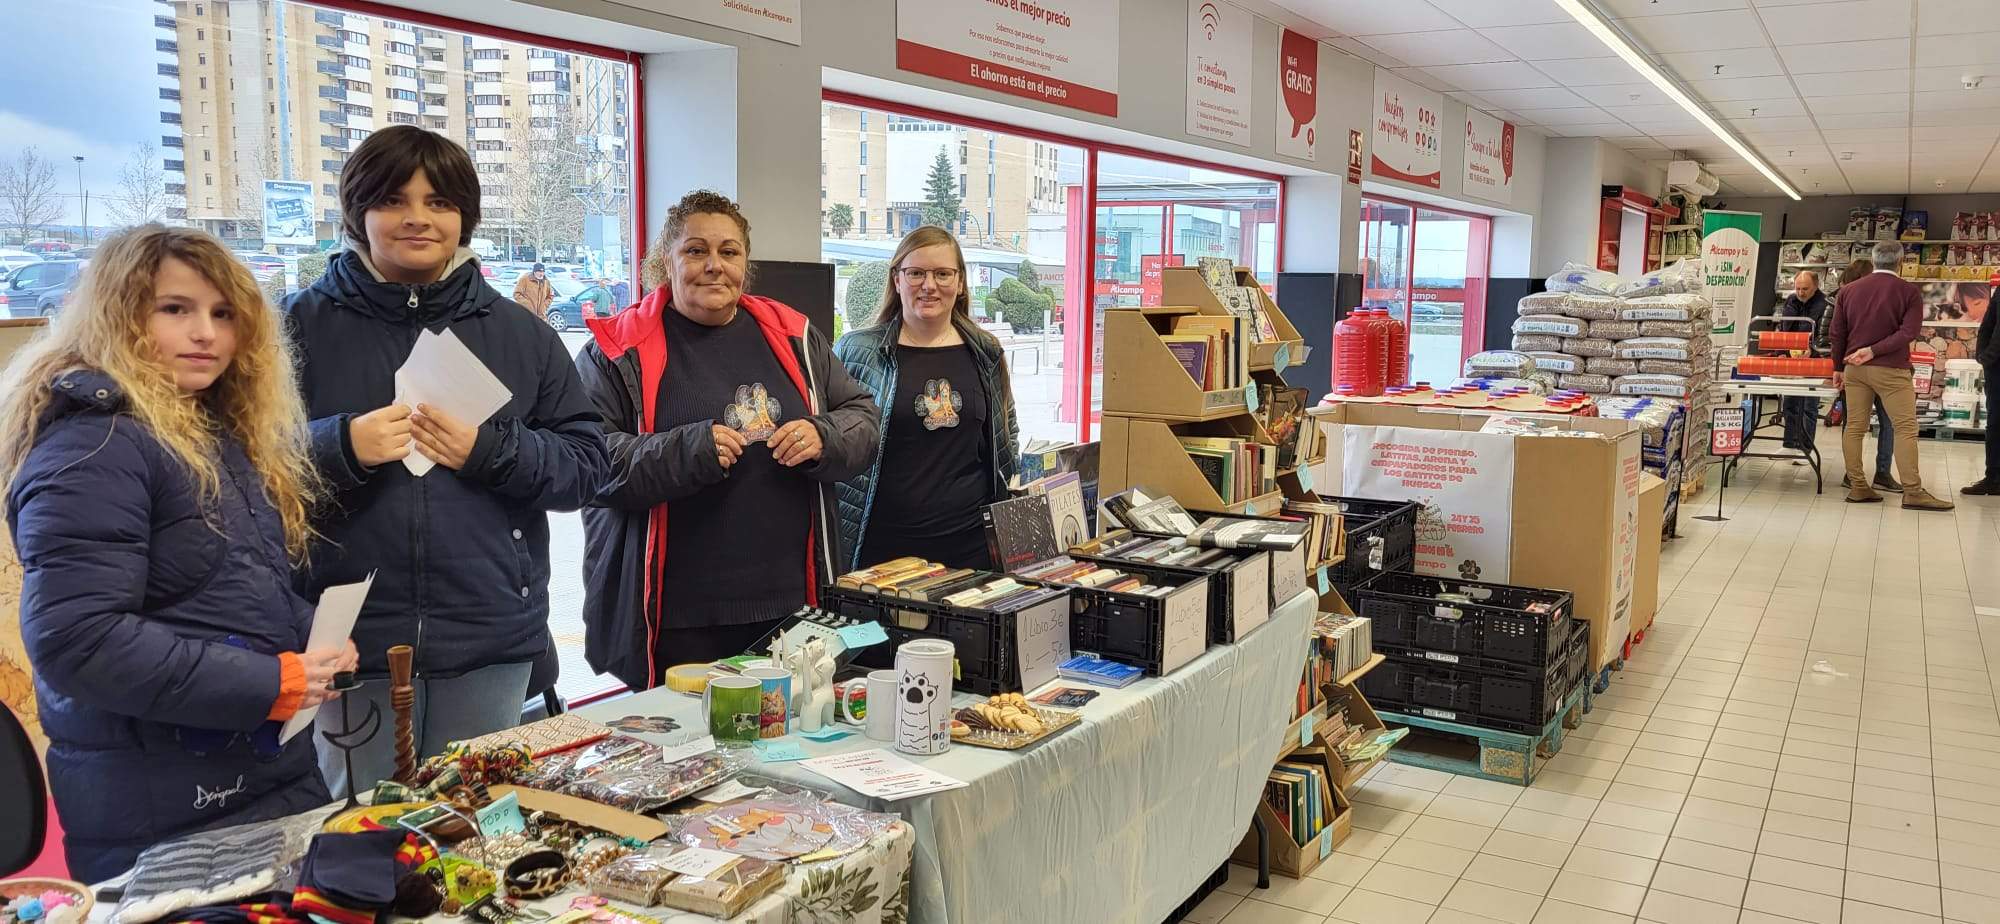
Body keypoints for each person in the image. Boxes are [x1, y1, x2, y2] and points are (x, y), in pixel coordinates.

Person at [0, 225, 356, 880]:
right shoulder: (94, 446)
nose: (206, 334)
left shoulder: (206, 428)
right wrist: (269, 683)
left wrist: (311, 640)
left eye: (223, 315)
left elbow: (224, 587)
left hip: (252, 777)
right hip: (165, 807)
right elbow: (80, 641)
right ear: (118, 314)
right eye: (175, 310)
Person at [285, 125, 610, 795]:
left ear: (463, 216)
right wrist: (339, 446)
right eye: (394, 200)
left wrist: (489, 450)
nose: (417, 218)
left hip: (489, 638)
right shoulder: (295, 327)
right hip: (347, 647)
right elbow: (242, 471)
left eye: (439, 202)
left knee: (475, 836)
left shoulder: (521, 335)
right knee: (362, 845)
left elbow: (586, 466)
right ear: (358, 212)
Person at [578, 190, 878, 691]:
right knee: (681, 765)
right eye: (695, 251)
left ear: (745, 262)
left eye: (729, 251)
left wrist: (823, 435)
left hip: (790, 608)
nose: (713, 265)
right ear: (665, 262)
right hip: (672, 620)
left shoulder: (794, 336)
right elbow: (586, 461)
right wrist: (687, 451)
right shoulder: (615, 350)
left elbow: (863, 416)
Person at [835, 226, 1019, 571]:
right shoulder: (857, 351)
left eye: (942, 274)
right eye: (916, 273)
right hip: (880, 548)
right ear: (897, 280)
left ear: (960, 282)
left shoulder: (986, 351)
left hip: (970, 549)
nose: (929, 285)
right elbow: (834, 443)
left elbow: (1006, 435)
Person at [1831, 242, 1951, 509]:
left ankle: (1859, 486)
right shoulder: (1909, 292)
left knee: (1855, 427)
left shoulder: (1848, 291)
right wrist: (1874, 351)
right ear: (1901, 262)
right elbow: (1908, 333)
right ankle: (1913, 491)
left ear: (1873, 261)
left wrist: (1837, 367)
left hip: (1854, 368)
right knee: (1906, 428)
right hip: (1893, 369)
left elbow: (1837, 332)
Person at [1777, 271, 1829, 452]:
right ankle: (1789, 444)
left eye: (1805, 289)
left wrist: (1813, 350)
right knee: (1790, 403)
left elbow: (1826, 335)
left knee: (1809, 406)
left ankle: (1805, 449)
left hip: (1813, 362)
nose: (1800, 292)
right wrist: (1781, 352)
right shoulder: (1791, 300)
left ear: (1816, 286)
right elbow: (1783, 329)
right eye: (1797, 288)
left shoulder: (1826, 305)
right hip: (1791, 361)